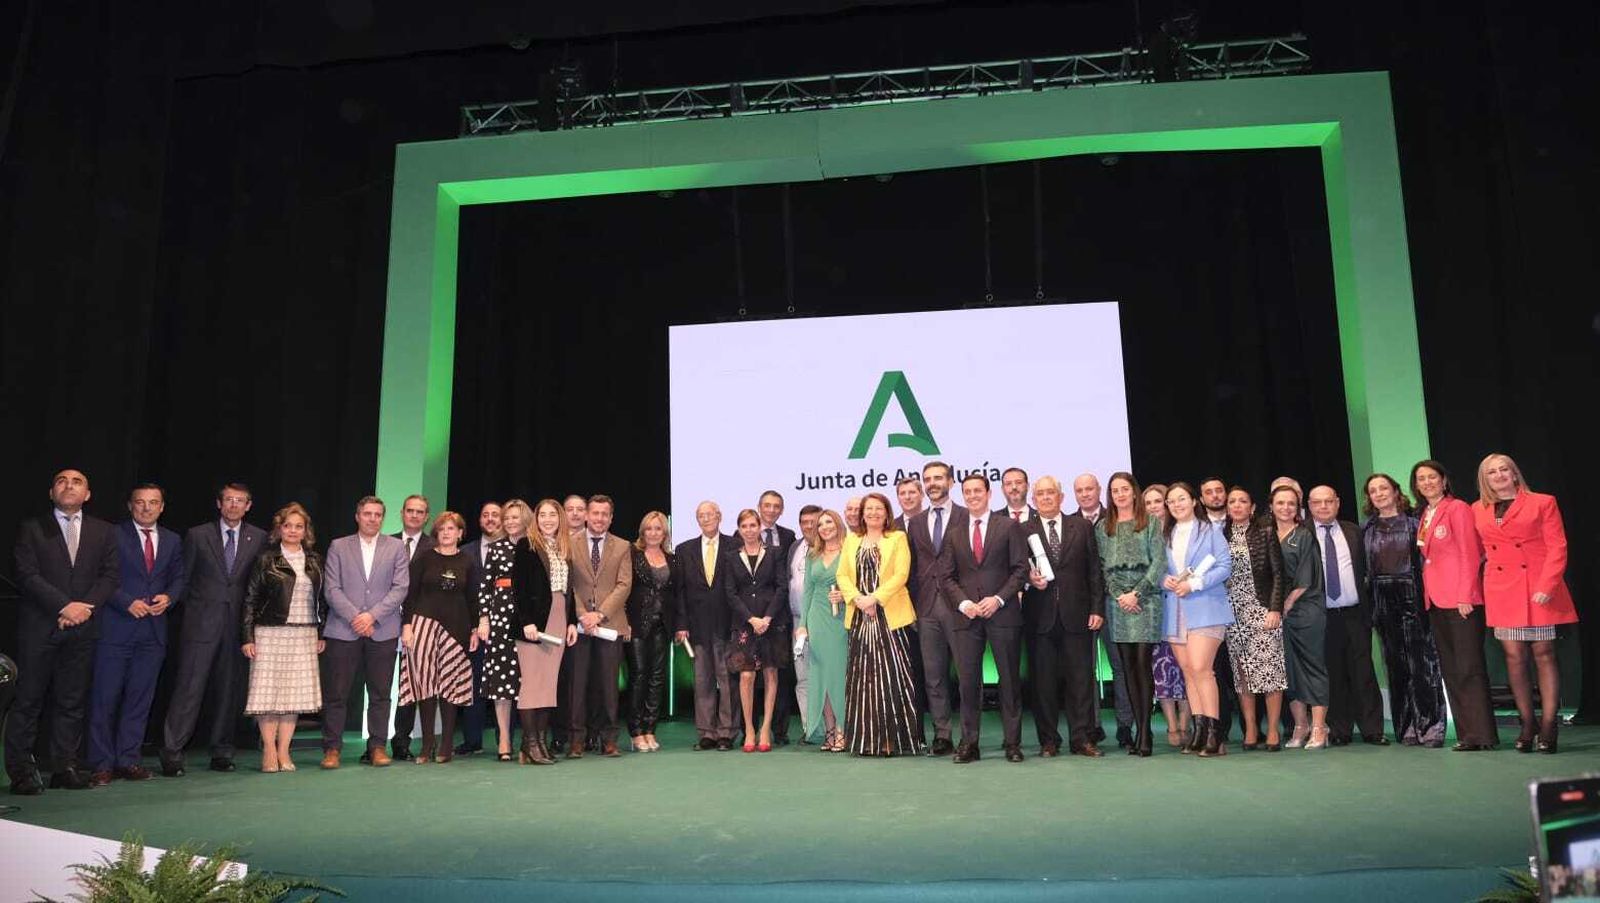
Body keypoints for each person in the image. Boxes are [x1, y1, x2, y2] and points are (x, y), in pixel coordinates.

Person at [8, 469, 119, 795]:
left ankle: (64, 767)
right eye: (61, 481)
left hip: (83, 628)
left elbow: (110, 577)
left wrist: (82, 609)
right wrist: (64, 606)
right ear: (51, 492)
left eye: (77, 482)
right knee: (28, 700)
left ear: (87, 495)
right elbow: (26, 575)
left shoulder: (104, 531)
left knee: (71, 702)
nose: (68, 485)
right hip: (40, 627)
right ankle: (22, 772)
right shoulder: (32, 528)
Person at [1473, 453, 1578, 754]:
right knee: (1514, 657)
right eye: (1492, 472)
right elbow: (1476, 551)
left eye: (1504, 469)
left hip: (1538, 586)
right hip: (1501, 588)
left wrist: (1548, 585)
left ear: (1515, 474)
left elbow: (1558, 545)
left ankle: (1548, 725)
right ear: (1485, 479)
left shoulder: (1543, 502)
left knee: (1544, 653)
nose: (1499, 475)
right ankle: (1527, 723)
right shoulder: (1477, 509)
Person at [161, 482, 266, 777]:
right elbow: (184, 578)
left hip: (237, 629)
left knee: (229, 692)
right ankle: (172, 750)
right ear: (219, 504)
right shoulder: (198, 535)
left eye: (240, 500)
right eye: (229, 500)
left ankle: (222, 750)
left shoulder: (257, 537)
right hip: (200, 626)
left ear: (248, 506)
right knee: (189, 689)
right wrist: (169, 601)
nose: (234, 505)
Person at [89, 483, 186, 785]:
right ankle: (101, 763)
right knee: (105, 699)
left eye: (153, 502)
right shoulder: (112, 534)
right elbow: (99, 575)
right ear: (130, 506)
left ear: (162, 507)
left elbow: (179, 577)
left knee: (140, 700)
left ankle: (128, 759)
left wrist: (170, 598)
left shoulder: (172, 539)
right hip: (115, 629)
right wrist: (123, 601)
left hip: (153, 634)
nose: (146, 508)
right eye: (140, 502)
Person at [938, 474, 1029, 763]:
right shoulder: (954, 533)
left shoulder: (1009, 527)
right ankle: (969, 744)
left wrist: (998, 599)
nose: (973, 495)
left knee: (1010, 681)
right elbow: (946, 576)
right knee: (968, 683)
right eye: (968, 492)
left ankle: (1013, 744)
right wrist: (964, 602)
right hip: (967, 619)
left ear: (989, 493)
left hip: (1002, 614)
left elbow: (1020, 570)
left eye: (978, 490)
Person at [1411, 460, 1497, 751]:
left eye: (1432, 477)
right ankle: (1467, 734)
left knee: (1469, 668)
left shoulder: (1457, 508)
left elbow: (1470, 553)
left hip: (1461, 601)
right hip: (1436, 601)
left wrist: (1466, 594)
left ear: (1444, 480)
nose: (1426, 483)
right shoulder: (1425, 513)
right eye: (1421, 479)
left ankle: (1482, 734)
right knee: (1451, 668)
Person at [319, 496, 409, 769]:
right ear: (357, 516)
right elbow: (331, 588)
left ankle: (378, 747)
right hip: (343, 629)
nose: (372, 519)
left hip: (382, 629)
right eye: (367, 514)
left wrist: (372, 616)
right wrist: (356, 617)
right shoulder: (338, 546)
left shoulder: (396, 547)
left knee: (381, 693)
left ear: (383, 518)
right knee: (337, 693)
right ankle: (332, 749)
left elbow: (400, 587)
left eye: (378, 514)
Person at [241, 503, 327, 773]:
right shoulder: (266, 559)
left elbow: (322, 601)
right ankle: (268, 750)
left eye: (298, 526)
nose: (292, 530)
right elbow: (250, 599)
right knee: (269, 695)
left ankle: (284, 751)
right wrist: (248, 636)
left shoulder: (314, 560)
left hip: (304, 634)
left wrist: (320, 633)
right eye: (288, 525)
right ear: (279, 529)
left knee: (294, 696)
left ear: (306, 531)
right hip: (270, 633)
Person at [1362, 473, 1447, 747]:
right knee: (1396, 666)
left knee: (1423, 665)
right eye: (1373, 490)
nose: (1379, 494)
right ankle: (1407, 727)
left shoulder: (1415, 523)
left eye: (1383, 488)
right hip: (1382, 602)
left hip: (1413, 597)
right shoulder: (1367, 529)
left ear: (1395, 490)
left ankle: (1431, 726)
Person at [1025, 476, 1107, 757]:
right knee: (1043, 683)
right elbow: (1015, 569)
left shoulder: (1081, 527)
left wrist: (1097, 608)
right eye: (1040, 494)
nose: (1046, 498)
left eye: (1051, 493)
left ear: (1061, 497)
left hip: (1078, 615)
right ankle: (1048, 740)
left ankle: (1082, 738)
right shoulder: (1023, 529)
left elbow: (1094, 571)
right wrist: (1027, 579)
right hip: (1039, 618)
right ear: (1034, 500)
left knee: (1080, 680)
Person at [837, 493, 923, 757]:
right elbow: (842, 575)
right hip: (861, 618)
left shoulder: (897, 539)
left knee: (893, 679)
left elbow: (901, 575)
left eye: (879, 509)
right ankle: (866, 740)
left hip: (891, 618)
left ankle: (894, 740)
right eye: (868, 509)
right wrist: (859, 600)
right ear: (862, 514)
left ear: (887, 514)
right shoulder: (851, 541)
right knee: (864, 681)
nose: (873, 513)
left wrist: (876, 598)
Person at [1306, 485, 1387, 745]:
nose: (1323, 507)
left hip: (1355, 612)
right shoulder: (1302, 534)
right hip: (1322, 616)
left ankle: (1373, 729)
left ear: (1338, 503)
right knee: (1334, 673)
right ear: (1309, 506)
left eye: (1328, 501)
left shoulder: (1354, 531)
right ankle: (1340, 730)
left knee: (1363, 671)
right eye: (1317, 502)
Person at [397, 511, 478, 764]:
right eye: (442, 529)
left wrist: (475, 629)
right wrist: (407, 625)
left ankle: (445, 745)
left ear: (460, 533)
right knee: (425, 684)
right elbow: (409, 596)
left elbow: (474, 599)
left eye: (451, 529)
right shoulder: (423, 560)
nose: (446, 533)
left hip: (457, 629)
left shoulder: (468, 562)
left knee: (450, 687)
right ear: (437, 533)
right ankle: (427, 743)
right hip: (423, 626)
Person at [1161, 482, 1233, 758]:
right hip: (1175, 609)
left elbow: (1225, 566)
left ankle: (1215, 734)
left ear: (1194, 501)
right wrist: (1163, 579)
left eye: (1182, 499)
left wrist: (1197, 583)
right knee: (1189, 671)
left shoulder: (1211, 531)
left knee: (1203, 669)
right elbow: (1158, 569)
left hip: (1205, 607)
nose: (1176, 504)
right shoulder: (1165, 534)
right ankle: (1199, 731)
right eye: (1171, 501)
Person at [1096, 473, 1164, 757]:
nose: (1120, 495)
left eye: (1125, 489)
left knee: (1142, 666)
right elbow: (1102, 567)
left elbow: (1159, 561)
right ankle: (1138, 730)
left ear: (1134, 493)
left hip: (1145, 602)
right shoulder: (1103, 527)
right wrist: (1119, 596)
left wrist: (1137, 593)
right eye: (1115, 491)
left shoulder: (1150, 523)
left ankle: (1146, 732)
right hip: (1118, 605)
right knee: (1126, 670)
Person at [1221, 486, 1288, 752]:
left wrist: (1274, 608)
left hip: (1262, 609)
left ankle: (1272, 730)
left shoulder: (1265, 531)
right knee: (1242, 674)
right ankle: (1250, 728)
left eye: (1242, 501)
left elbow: (1279, 574)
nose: (1237, 505)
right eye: (1232, 501)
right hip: (1232, 613)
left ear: (1252, 507)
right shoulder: (1220, 535)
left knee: (1270, 671)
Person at [512, 499, 579, 765]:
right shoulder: (526, 545)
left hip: (559, 617)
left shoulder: (565, 547)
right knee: (531, 683)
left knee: (548, 685)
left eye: (553, 515)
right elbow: (518, 587)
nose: (548, 519)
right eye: (543, 515)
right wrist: (527, 621)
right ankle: (529, 744)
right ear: (536, 519)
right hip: (535, 622)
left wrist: (572, 621)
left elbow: (570, 590)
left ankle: (539, 742)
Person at [568, 494, 633, 758]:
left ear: (611, 517)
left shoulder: (622, 546)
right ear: (586, 515)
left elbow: (624, 584)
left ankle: (609, 739)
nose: (599, 518)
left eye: (604, 514)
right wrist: (583, 614)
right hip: (578, 625)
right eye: (595, 513)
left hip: (610, 625)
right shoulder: (569, 544)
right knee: (578, 685)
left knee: (608, 686)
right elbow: (567, 584)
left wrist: (600, 614)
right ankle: (576, 740)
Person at [906, 461, 962, 756]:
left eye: (938, 478)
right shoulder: (915, 523)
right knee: (934, 675)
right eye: (928, 479)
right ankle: (942, 733)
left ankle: (970, 733)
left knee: (967, 674)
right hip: (926, 608)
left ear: (951, 482)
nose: (932, 483)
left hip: (960, 606)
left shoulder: (966, 516)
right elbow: (911, 568)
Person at [1074, 472, 1132, 750]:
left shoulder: (1118, 518)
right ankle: (1092, 725)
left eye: (1090, 489)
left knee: (1120, 666)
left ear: (1099, 490)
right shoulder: (1068, 523)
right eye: (1080, 490)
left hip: (1115, 603)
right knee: (1085, 669)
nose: (1085, 494)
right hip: (1080, 608)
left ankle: (1125, 725)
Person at [1271, 484, 1331, 750]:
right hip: (1278, 612)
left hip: (1306, 609)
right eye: (1280, 503)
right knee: (1290, 670)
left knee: (1312, 666)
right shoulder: (1267, 535)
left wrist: (1287, 602)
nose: (1286, 508)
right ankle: (1300, 725)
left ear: (1298, 508)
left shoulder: (1304, 535)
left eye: (1291, 504)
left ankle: (1319, 728)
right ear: (1271, 505)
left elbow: (1306, 577)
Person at [725, 508, 790, 752]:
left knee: (771, 674)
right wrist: (751, 619)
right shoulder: (731, 557)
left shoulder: (774, 553)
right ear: (739, 529)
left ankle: (766, 729)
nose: (749, 530)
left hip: (772, 624)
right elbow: (730, 592)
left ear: (760, 526)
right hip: (744, 625)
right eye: (745, 526)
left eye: (753, 525)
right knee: (746, 675)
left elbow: (781, 587)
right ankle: (750, 729)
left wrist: (767, 617)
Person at [675, 501, 737, 750]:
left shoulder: (735, 546)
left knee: (727, 681)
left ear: (720, 517)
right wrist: (681, 624)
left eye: (710, 514)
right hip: (697, 626)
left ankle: (727, 732)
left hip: (727, 624)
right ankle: (706, 733)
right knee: (702, 681)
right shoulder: (684, 549)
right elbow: (679, 591)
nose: (706, 519)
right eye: (701, 515)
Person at [478, 499, 526, 761]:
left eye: (515, 517)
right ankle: (505, 739)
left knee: (529, 683)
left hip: (529, 621)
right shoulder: (496, 549)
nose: (509, 522)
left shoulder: (535, 547)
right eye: (507, 518)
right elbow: (485, 588)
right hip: (500, 621)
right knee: (502, 684)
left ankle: (530, 739)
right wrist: (484, 619)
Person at [626, 510, 677, 752]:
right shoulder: (631, 555)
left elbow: (675, 595)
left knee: (657, 678)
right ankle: (635, 731)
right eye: (649, 528)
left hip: (662, 625)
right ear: (642, 531)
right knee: (639, 676)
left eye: (658, 528)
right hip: (636, 623)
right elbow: (624, 588)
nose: (654, 533)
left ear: (664, 532)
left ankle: (649, 729)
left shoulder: (672, 558)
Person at [390, 494, 435, 761]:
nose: (415, 515)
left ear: (427, 516)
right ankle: (374, 743)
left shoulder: (434, 546)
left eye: (420, 512)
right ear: (402, 512)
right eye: (410, 510)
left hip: (418, 625)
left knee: (410, 685)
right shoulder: (387, 543)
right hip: (384, 622)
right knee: (384, 686)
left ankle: (401, 743)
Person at [797, 509, 848, 750]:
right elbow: (807, 591)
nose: (825, 527)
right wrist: (802, 626)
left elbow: (860, 584)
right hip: (817, 619)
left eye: (829, 522)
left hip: (841, 620)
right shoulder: (813, 555)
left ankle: (843, 730)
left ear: (838, 524)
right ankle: (829, 730)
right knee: (821, 679)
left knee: (838, 675)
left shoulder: (849, 551)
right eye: (821, 524)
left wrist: (846, 595)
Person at [454, 501, 502, 755]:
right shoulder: (465, 552)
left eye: (496, 515)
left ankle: (504, 741)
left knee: (505, 688)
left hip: (506, 629)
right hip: (473, 630)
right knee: (473, 684)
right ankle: (472, 741)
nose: (491, 519)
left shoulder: (516, 550)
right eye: (486, 515)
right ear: (480, 520)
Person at [1143, 483, 1189, 746]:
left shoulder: (1180, 532)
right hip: (1154, 612)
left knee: (1186, 670)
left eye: (1157, 502)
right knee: (1162, 670)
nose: (1152, 507)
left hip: (1183, 609)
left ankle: (1186, 722)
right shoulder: (1142, 534)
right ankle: (1171, 726)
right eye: (1147, 503)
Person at [786, 505, 822, 743]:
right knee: (803, 678)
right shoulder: (795, 547)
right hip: (798, 622)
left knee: (829, 676)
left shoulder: (832, 546)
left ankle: (836, 727)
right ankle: (811, 729)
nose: (808, 526)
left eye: (813, 521)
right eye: (804, 522)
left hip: (824, 621)